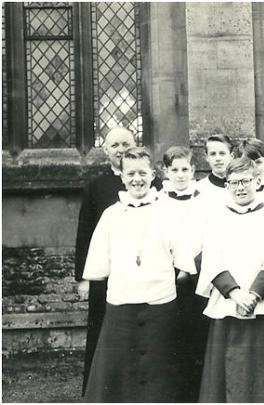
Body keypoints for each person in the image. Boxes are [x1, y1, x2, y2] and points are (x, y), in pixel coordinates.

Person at [82, 147, 196, 402]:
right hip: (121, 306)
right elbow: (98, 270)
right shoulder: (111, 215)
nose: (137, 179)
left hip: (160, 307)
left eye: (143, 173)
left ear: (153, 174)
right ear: (122, 177)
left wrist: (161, 282)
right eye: (130, 173)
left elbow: (185, 265)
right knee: (119, 375)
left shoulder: (169, 211)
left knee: (159, 374)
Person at [195, 157, 264, 403]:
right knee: (225, 374)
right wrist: (236, 294)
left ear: (257, 181)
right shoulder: (216, 216)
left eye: (245, 181)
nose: (240, 187)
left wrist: (254, 295)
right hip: (227, 304)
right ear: (226, 185)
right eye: (233, 182)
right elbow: (212, 257)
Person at [74, 127, 156, 395]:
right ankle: (98, 389)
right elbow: (85, 231)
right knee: (102, 330)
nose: (120, 149)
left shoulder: (149, 183)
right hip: (104, 272)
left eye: (126, 144)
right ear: (106, 150)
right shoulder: (95, 186)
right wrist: (83, 277)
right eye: (115, 145)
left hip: (142, 273)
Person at [160, 146, 208, 402]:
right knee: (171, 337)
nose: (180, 175)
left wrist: (191, 268)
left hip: (199, 277)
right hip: (167, 278)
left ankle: (196, 392)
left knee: (196, 335)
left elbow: (210, 237)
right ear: (166, 171)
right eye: (174, 170)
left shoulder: (206, 200)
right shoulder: (158, 200)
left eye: (185, 169)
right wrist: (175, 269)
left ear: (193, 171)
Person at [197, 134, 234, 206]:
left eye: (222, 153)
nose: (218, 159)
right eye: (213, 154)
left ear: (231, 156)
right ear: (207, 157)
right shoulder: (199, 189)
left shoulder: (241, 187)